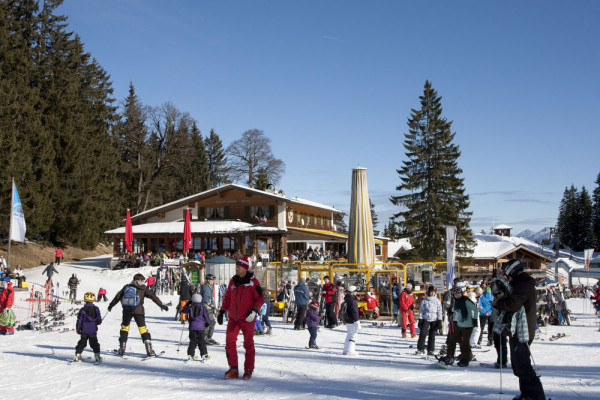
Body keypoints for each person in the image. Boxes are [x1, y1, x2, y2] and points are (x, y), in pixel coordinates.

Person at [495, 259, 546, 400]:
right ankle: (527, 394)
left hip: (522, 332)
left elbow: (513, 304)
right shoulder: (521, 283)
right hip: (519, 330)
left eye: (507, 274)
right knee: (518, 366)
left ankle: (536, 396)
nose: (507, 278)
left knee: (522, 366)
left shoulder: (522, 285)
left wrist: (499, 303)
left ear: (512, 271)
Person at [217, 255, 264, 380]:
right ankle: (234, 369)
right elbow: (227, 297)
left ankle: (248, 370)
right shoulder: (233, 281)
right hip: (233, 318)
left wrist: (255, 311)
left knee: (248, 344)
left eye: (238, 267)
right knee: (229, 342)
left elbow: (260, 298)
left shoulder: (253, 282)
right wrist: (222, 311)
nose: (236, 269)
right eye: (236, 266)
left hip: (247, 318)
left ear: (244, 267)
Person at [108, 273, 169, 357]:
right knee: (142, 329)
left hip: (127, 310)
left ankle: (122, 348)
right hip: (138, 311)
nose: (144, 282)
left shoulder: (127, 287)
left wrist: (111, 305)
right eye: (143, 280)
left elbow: (117, 297)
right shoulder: (143, 288)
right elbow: (153, 296)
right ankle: (149, 350)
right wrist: (161, 305)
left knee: (124, 328)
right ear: (140, 280)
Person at [437, 283, 478, 367]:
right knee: (452, 341)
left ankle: (466, 359)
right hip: (457, 323)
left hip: (466, 324)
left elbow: (475, 309)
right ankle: (450, 357)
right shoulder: (456, 301)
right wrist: (450, 311)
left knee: (464, 342)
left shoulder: (465, 300)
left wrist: (474, 319)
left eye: (458, 293)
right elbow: (452, 309)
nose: (457, 295)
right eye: (455, 293)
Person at [74, 291, 102, 363]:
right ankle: (97, 356)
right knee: (94, 343)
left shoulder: (82, 310)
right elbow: (99, 320)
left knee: (82, 343)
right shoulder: (96, 309)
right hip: (92, 330)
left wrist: (78, 329)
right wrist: (97, 322)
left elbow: (79, 320)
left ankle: (78, 355)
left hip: (84, 330)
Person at [182, 293, 210, 362]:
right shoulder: (202, 308)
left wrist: (188, 303)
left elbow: (183, 311)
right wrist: (207, 322)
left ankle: (190, 355)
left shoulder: (190, 307)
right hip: (200, 328)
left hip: (192, 327)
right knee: (201, 341)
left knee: (192, 342)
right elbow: (206, 316)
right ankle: (204, 355)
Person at [416, 285, 442, 356]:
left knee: (432, 334)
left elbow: (439, 311)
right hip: (426, 318)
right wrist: (420, 319)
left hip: (434, 318)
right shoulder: (424, 300)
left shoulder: (437, 301)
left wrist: (439, 320)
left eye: (433, 292)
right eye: (431, 292)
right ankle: (420, 348)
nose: (432, 293)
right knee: (423, 334)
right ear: (428, 292)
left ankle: (431, 349)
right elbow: (421, 310)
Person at [201, 273, 219, 345]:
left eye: (213, 280)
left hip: (209, 308)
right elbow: (206, 299)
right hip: (206, 307)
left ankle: (208, 337)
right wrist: (211, 305)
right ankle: (205, 338)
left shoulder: (209, 287)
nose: (212, 281)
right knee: (209, 322)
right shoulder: (206, 287)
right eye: (211, 280)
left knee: (212, 322)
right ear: (208, 280)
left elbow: (211, 298)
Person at [343, 285, 360, 355]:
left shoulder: (347, 298)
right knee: (353, 335)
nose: (356, 293)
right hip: (352, 319)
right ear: (352, 292)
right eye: (355, 291)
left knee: (349, 335)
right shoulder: (352, 300)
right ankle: (350, 350)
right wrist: (357, 320)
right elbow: (354, 311)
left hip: (347, 319)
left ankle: (346, 349)